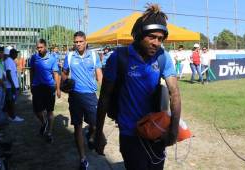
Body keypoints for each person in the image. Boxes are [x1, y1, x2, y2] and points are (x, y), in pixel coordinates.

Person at [95, 4, 181, 170]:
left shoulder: (163, 57)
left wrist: (173, 129)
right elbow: (104, 97)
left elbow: (174, 93)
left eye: (161, 38)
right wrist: (99, 133)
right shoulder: (119, 57)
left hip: (156, 132)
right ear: (140, 35)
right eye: (152, 37)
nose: (157, 43)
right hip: (130, 134)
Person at [61, 31, 102, 170]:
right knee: (77, 126)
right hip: (75, 96)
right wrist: (64, 84)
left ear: (86, 41)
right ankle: (83, 159)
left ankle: (91, 136)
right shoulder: (70, 56)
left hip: (90, 95)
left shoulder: (95, 56)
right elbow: (64, 73)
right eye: (76, 42)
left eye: (80, 41)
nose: (78, 44)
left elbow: (99, 75)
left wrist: (102, 93)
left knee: (96, 125)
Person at [29, 39, 61, 143]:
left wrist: (58, 89)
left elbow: (56, 74)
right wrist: (31, 84)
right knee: (37, 111)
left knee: (50, 111)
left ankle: (49, 133)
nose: (39, 49)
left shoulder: (52, 59)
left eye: (41, 47)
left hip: (49, 87)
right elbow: (32, 71)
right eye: (37, 47)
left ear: (45, 47)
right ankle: (44, 123)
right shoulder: (33, 58)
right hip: (37, 87)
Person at [4, 48, 24, 122]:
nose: (16, 54)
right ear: (11, 54)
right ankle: (13, 117)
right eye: (15, 53)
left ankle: (10, 116)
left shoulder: (11, 61)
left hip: (12, 85)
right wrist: (12, 85)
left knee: (11, 101)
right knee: (11, 102)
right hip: (10, 86)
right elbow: (8, 73)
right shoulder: (9, 61)